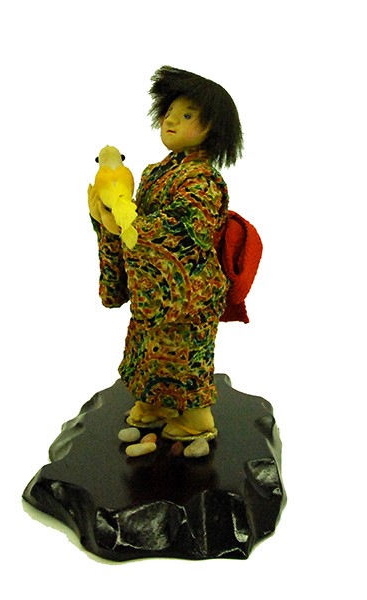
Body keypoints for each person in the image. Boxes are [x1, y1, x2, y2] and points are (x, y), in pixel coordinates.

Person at [88, 66, 243, 441]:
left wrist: (127, 227)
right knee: (147, 350)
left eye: (187, 115)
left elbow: (184, 227)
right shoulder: (154, 172)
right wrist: (106, 216)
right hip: (153, 290)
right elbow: (131, 219)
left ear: (211, 129)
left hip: (189, 293)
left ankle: (196, 420)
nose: (171, 119)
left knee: (184, 356)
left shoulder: (203, 180)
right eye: (170, 111)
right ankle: (154, 405)